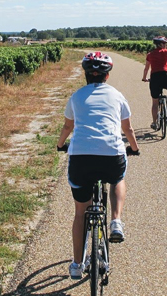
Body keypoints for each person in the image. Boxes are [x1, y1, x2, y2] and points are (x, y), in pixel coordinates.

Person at [56, 52, 140, 280]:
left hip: (81, 158)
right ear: (107, 75)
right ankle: (115, 221)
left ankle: (75, 265)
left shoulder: (76, 96)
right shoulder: (117, 95)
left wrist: (60, 144)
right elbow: (128, 130)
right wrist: (134, 148)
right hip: (111, 155)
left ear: (86, 74)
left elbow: (67, 127)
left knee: (80, 212)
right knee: (118, 178)